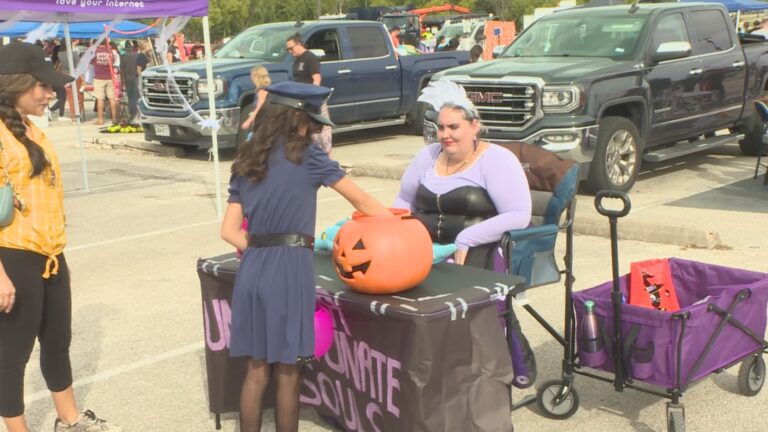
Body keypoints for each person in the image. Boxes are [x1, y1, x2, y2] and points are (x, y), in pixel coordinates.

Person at [220, 81, 390, 432]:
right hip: (290, 268)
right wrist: (400, 222)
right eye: (310, 121)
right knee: (288, 372)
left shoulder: (246, 159)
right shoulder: (308, 156)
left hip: (252, 269)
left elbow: (228, 231)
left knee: (255, 371)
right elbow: (362, 201)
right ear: (296, 118)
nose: (312, 129)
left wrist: (260, 248)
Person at [0, 42, 122, 432]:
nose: (52, 94)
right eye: (44, 86)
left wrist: (58, 255)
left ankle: (69, 420)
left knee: (58, 342)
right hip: (13, 257)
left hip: (51, 255)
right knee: (11, 355)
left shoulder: (32, 128)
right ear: (17, 84)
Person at [394, 80, 532, 269]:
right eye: (441, 127)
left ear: (474, 126)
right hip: (425, 249)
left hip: (479, 250)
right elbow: (403, 200)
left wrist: (467, 238)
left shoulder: (497, 160)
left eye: (453, 127)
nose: (444, 135)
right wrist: (400, 232)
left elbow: (519, 215)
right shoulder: (427, 155)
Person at [285, 33, 332, 154]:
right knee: (302, 127)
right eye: (287, 49)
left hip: (313, 99)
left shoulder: (310, 58)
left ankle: (327, 156)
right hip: (301, 101)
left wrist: (313, 96)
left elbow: (316, 78)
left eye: (291, 48)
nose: (290, 51)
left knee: (322, 129)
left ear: (299, 44)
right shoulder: (296, 62)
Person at [90, 41, 117, 125]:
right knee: (112, 98)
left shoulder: (95, 51)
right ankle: (115, 118)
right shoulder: (110, 51)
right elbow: (113, 61)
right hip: (109, 76)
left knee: (100, 98)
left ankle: (100, 119)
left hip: (99, 77)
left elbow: (90, 61)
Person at [241, 66, 271, 131]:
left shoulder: (262, 91)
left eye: (252, 75)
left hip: (262, 122)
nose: (251, 77)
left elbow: (259, 107)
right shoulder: (266, 89)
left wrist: (248, 121)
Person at [120, 41, 140, 122]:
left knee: (130, 96)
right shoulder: (137, 55)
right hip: (136, 77)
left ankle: (132, 113)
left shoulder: (123, 56)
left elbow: (122, 70)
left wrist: (122, 81)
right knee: (137, 96)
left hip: (127, 77)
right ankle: (138, 113)